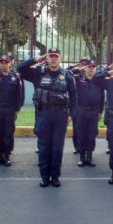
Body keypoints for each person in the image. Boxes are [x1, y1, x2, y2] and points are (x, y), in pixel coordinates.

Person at [18, 48, 77, 188]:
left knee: (57, 148)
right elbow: (20, 68)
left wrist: (71, 114)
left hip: (60, 116)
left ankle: (55, 176)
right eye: (51, 56)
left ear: (60, 59)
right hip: (43, 114)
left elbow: (74, 97)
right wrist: (37, 59)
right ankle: (45, 177)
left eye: (56, 56)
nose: (54, 59)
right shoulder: (38, 73)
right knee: (44, 147)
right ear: (47, 58)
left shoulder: (67, 75)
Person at [73, 59, 104, 167]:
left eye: (93, 67)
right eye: (89, 67)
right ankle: (82, 157)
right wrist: (79, 68)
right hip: (81, 110)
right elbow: (69, 72)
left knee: (91, 134)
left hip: (94, 111)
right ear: (84, 68)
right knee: (81, 134)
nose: (91, 70)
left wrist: (100, 111)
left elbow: (102, 98)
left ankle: (89, 157)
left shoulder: (98, 81)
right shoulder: (78, 79)